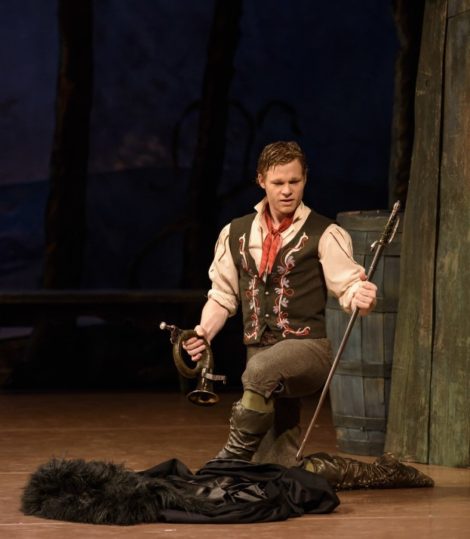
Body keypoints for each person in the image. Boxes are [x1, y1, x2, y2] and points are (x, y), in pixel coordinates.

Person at [183, 141, 378, 466]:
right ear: (261, 181)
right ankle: (336, 475)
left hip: (308, 349)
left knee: (259, 372)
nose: (287, 190)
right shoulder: (236, 233)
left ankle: (228, 461)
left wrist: (361, 296)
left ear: (305, 179)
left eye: (294, 181)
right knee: (273, 462)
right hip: (259, 346)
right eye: (278, 182)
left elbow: (349, 289)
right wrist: (203, 332)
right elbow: (222, 297)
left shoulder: (324, 232)